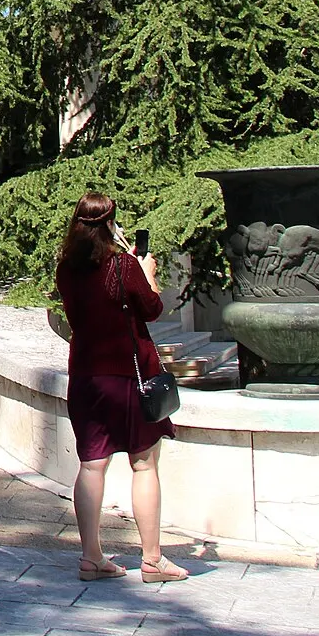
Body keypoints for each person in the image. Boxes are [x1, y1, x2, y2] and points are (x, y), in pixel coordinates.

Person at [54, 191, 187, 584]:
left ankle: (91, 558)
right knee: (144, 464)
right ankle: (153, 559)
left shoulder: (66, 269)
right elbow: (152, 309)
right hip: (130, 377)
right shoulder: (123, 265)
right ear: (111, 223)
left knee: (91, 465)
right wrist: (148, 275)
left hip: (86, 377)